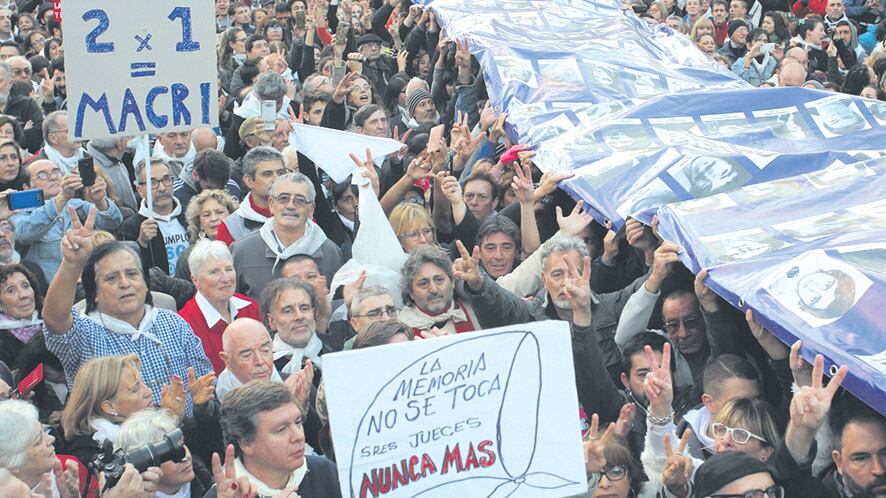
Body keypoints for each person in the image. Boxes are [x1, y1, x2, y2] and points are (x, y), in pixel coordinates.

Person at [42, 220, 214, 415]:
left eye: (132, 274)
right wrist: (72, 264)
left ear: (146, 283)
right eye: (111, 278)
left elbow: (206, 385)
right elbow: (54, 320)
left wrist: (200, 407)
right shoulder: (85, 333)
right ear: (94, 293)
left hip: (186, 431)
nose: (125, 284)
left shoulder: (174, 323)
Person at [208, 380, 342, 497]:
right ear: (246, 443)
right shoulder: (226, 495)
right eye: (281, 429)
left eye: (298, 422)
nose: (298, 436)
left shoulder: (325, 472)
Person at [231, 172, 342, 300]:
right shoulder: (242, 251)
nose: (290, 206)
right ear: (271, 204)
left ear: (311, 209)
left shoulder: (330, 253)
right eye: (283, 198)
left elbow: (337, 305)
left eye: (300, 200)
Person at [12, 159, 122, 281]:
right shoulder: (18, 212)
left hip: (84, 285)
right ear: (27, 187)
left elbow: (113, 223)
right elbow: (23, 233)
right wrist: (62, 198)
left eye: (56, 172)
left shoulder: (75, 205)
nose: (53, 177)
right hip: (50, 289)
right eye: (42, 175)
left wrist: (100, 201)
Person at [178, 240, 261, 375]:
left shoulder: (250, 308)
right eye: (214, 272)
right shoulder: (184, 324)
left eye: (228, 269)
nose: (226, 278)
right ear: (195, 280)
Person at [58, 354, 153, 467]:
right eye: (135, 390)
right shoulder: (89, 456)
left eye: (143, 382)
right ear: (109, 407)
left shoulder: (152, 420)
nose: (148, 391)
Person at [115, 408, 212, 498]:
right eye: (171, 452)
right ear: (145, 463)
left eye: (181, 444)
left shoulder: (204, 479)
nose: (184, 457)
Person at [119, 158, 190, 276]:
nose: (162, 188)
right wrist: (141, 243)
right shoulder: (131, 227)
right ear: (140, 190)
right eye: (152, 183)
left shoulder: (190, 215)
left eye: (166, 179)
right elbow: (127, 270)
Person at [0, 399, 80, 498]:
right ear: (12, 464)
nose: (51, 439)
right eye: (38, 440)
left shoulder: (62, 474)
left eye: (44, 431)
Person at [397, 245, 482, 335]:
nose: (434, 290)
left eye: (439, 280)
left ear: (452, 282)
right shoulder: (401, 329)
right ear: (411, 292)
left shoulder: (473, 310)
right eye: (423, 283)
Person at [259, 277, 332, 377]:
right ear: (272, 321)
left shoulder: (335, 355)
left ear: (313, 313)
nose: (299, 316)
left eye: (304, 308)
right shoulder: (263, 368)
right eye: (288, 311)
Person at [216, 146, 286, 246]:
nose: (276, 179)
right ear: (249, 181)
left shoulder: (301, 213)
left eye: (281, 173)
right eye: (267, 174)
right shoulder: (230, 227)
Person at [216, 318, 282, 401]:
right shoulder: (212, 405)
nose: (260, 361)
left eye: (265, 350)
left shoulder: (292, 386)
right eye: (247, 355)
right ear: (227, 361)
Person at [0, 264, 44, 370]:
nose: (23, 295)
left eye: (25, 285)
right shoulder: (2, 343)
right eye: (11, 290)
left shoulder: (50, 318)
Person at [172, 149, 242, 212]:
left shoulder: (232, 189)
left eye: (220, 188)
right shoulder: (177, 194)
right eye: (209, 187)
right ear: (195, 175)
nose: (215, 192)